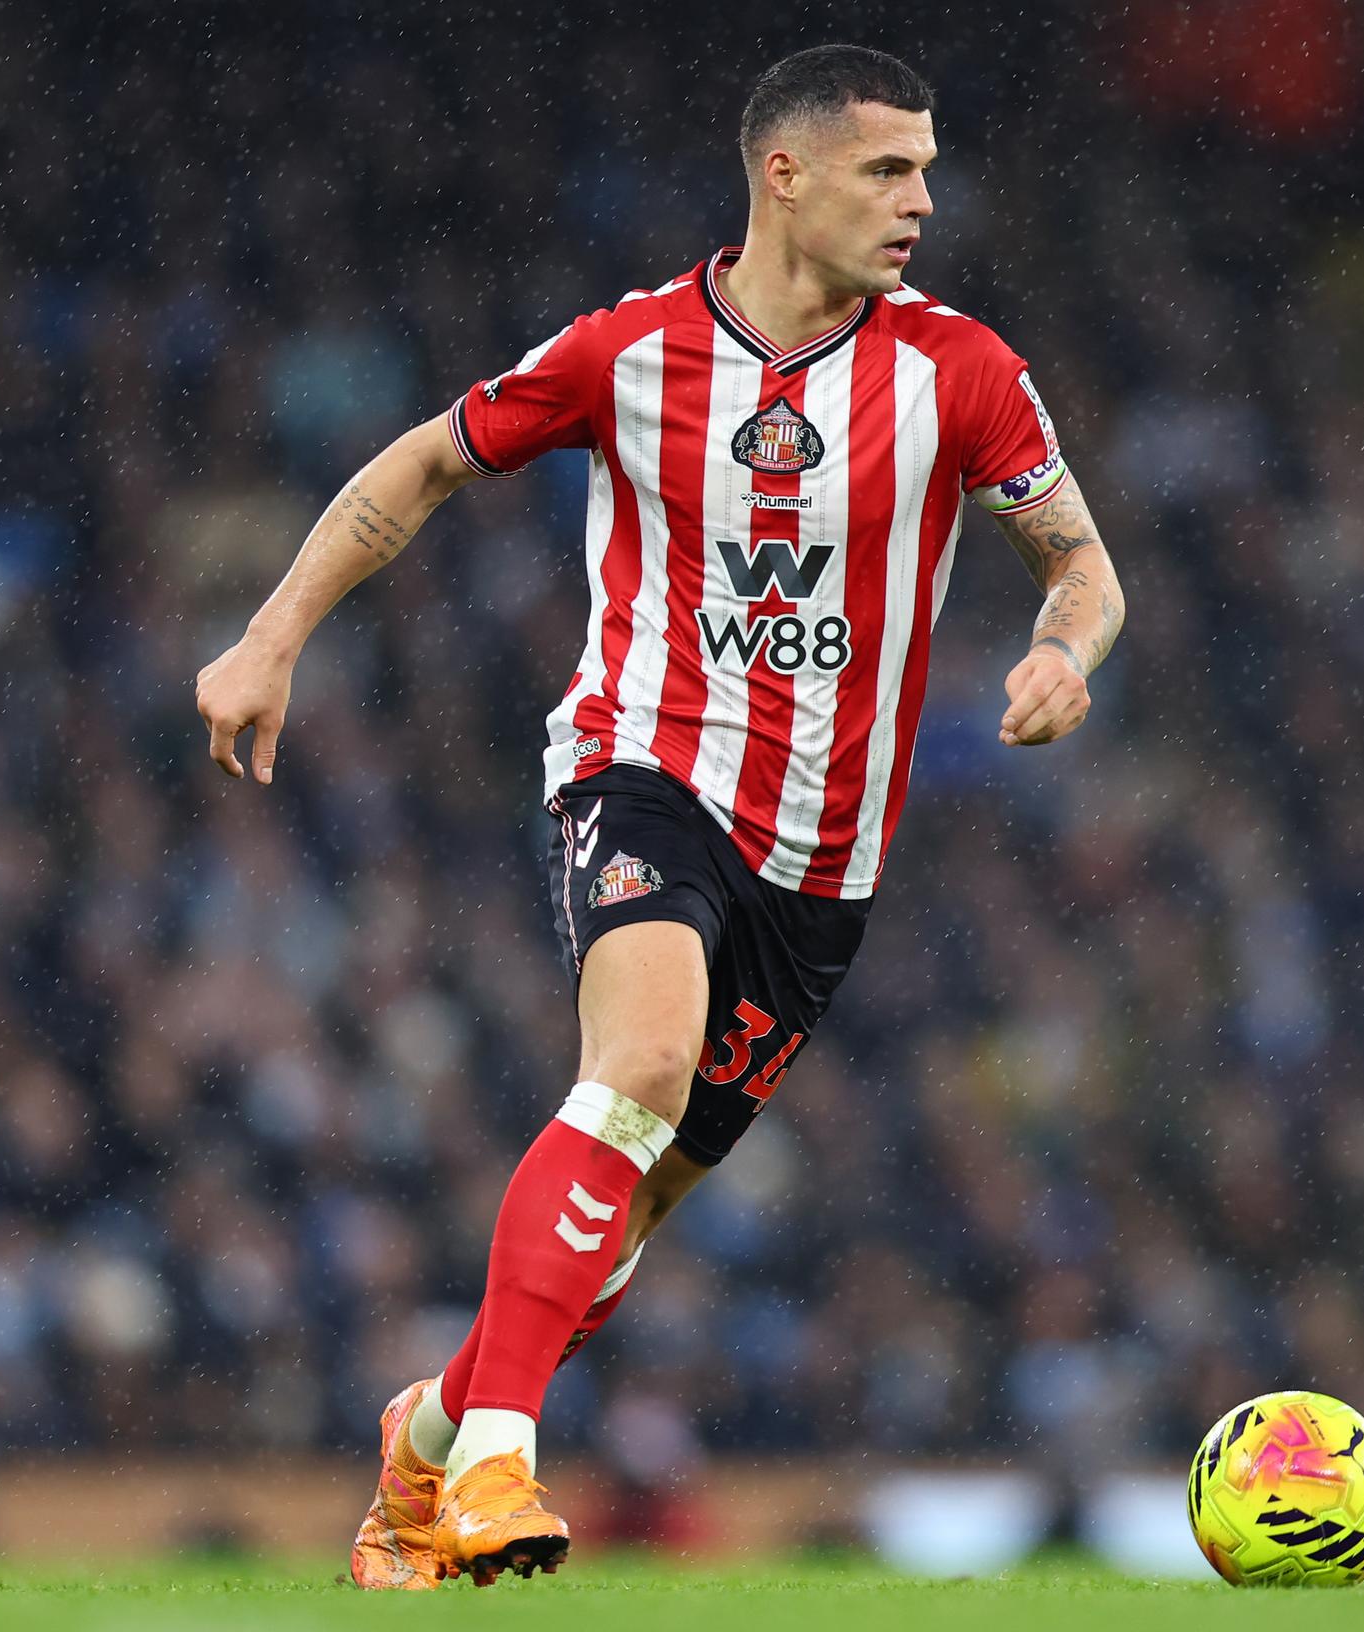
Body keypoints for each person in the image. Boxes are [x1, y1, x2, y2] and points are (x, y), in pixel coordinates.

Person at [196, 43, 1124, 1589]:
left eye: (927, 170)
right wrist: (271, 635)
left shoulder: (961, 372)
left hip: (825, 859)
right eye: (889, 170)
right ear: (786, 175)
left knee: (625, 1209)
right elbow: (424, 464)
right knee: (633, 1067)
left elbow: (1082, 563)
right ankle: (496, 1467)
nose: (920, 201)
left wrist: (1063, 652)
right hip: (645, 775)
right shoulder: (629, 352)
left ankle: (429, 1435)